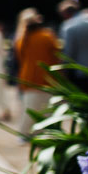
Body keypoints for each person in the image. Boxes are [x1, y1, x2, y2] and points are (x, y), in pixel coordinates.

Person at [14, 8, 58, 138]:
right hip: (46, 78)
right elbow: (56, 55)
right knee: (46, 110)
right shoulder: (47, 36)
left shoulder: (21, 39)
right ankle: (43, 133)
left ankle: (24, 134)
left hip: (27, 78)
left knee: (28, 109)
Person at [57, 0, 88, 95]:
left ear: (65, 14)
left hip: (80, 73)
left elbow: (68, 52)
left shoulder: (68, 26)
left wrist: (63, 71)